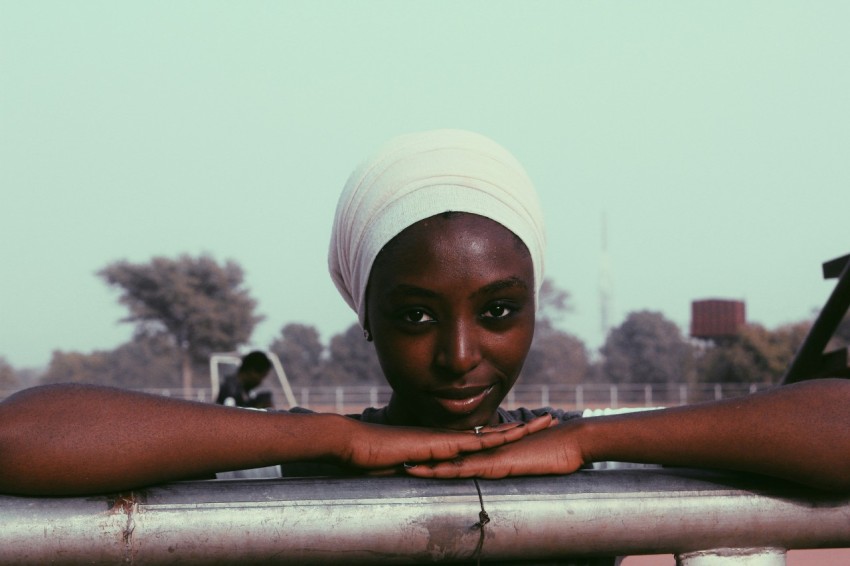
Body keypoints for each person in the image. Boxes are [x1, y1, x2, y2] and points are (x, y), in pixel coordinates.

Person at [2, 129, 850, 502]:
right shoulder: (312, 465)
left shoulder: (568, 454)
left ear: (535, 306)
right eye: (414, 316)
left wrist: (590, 440)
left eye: (500, 310)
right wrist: (327, 438)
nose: (460, 354)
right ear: (363, 314)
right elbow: (19, 438)